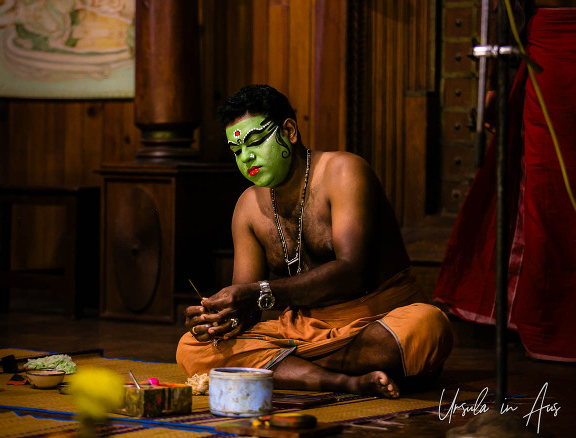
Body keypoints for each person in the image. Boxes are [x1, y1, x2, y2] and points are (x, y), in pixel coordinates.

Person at [176, 85, 453, 398]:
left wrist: (259, 295)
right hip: (302, 330)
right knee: (192, 350)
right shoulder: (247, 207)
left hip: (379, 321)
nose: (246, 157)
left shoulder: (342, 171)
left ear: (290, 131)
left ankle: (293, 369)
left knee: (428, 326)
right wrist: (222, 319)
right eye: (236, 151)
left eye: (254, 141)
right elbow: (249, 307)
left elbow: (353, 272)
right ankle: (346, 381)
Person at [433, 1, 576, 362]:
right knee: (549, 189)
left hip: (554, 40)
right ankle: (549, 325)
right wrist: (494, 79)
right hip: (554, 47)